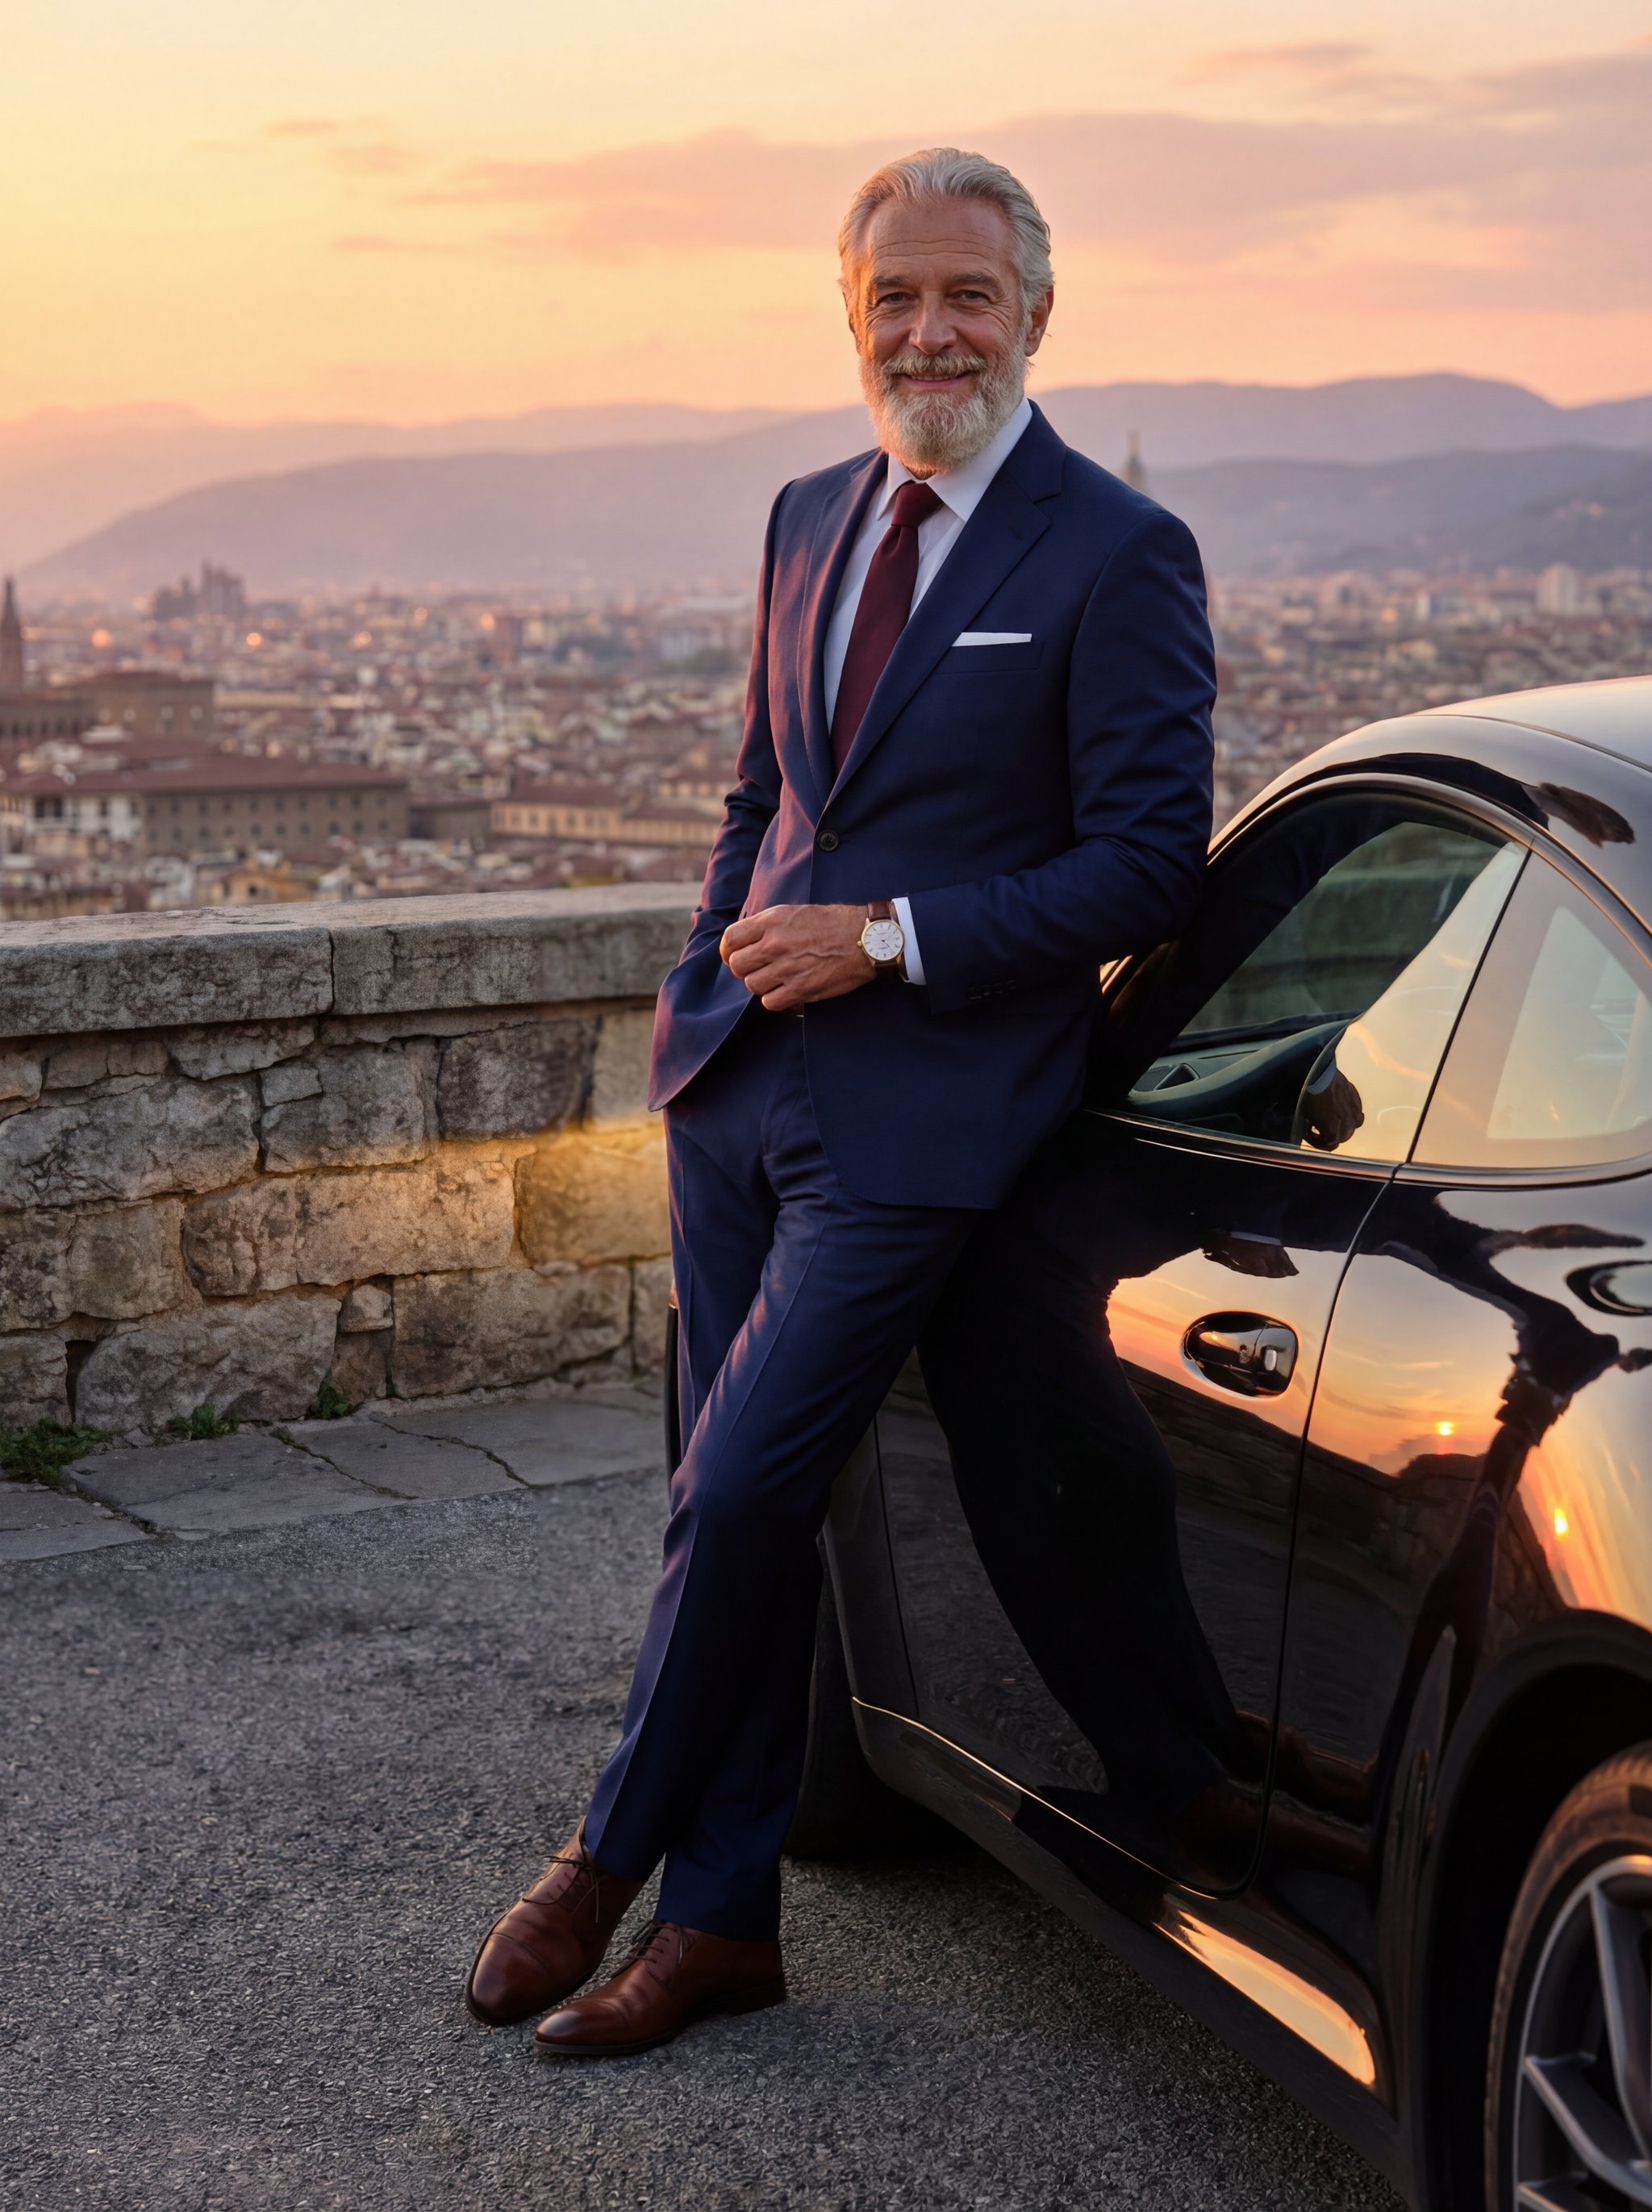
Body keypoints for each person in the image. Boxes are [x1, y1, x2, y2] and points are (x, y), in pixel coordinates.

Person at [464, 146, 1217, 2059]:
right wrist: (703, 988)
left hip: (928, 1117)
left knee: (738, 1483)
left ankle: (605, 1852)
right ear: (850, 315)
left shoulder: (1117, 552)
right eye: (894, 298)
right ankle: (724, 1925)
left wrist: (882, 942)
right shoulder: (808, 513)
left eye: (966, 294)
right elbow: (756, 802)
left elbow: (1146, 867)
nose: (929, 329)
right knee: (733, 1510)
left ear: (1036, 312)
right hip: (742, 1088)